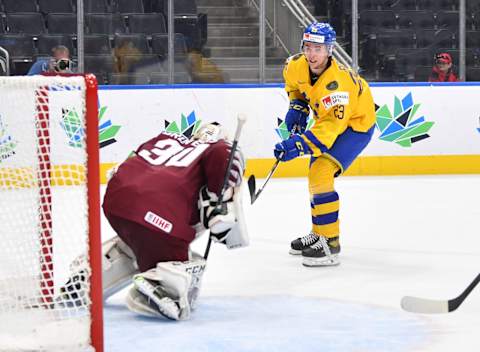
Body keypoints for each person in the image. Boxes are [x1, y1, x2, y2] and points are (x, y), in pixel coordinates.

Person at [62, 122, 248, 320]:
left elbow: (128, 163)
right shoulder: (218, 147)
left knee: (137, 244)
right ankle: (161, 286)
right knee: (182, 262)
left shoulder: (166, 138)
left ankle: (91, 278)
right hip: (158, 217)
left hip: (116, 202)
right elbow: (224, 154)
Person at [273, 22, 376, 267]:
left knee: (321, 170)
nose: (311, 54)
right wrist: (297, 105)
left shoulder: (338, 87)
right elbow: (294, 87)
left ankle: (330, 243)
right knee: (316, 175)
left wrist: (296, 145)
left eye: (318, 49)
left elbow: (326, 133)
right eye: (308, 47)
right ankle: (318, 234)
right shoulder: (296, 65)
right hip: (331, 122)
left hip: (356, 126)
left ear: (329, 50)